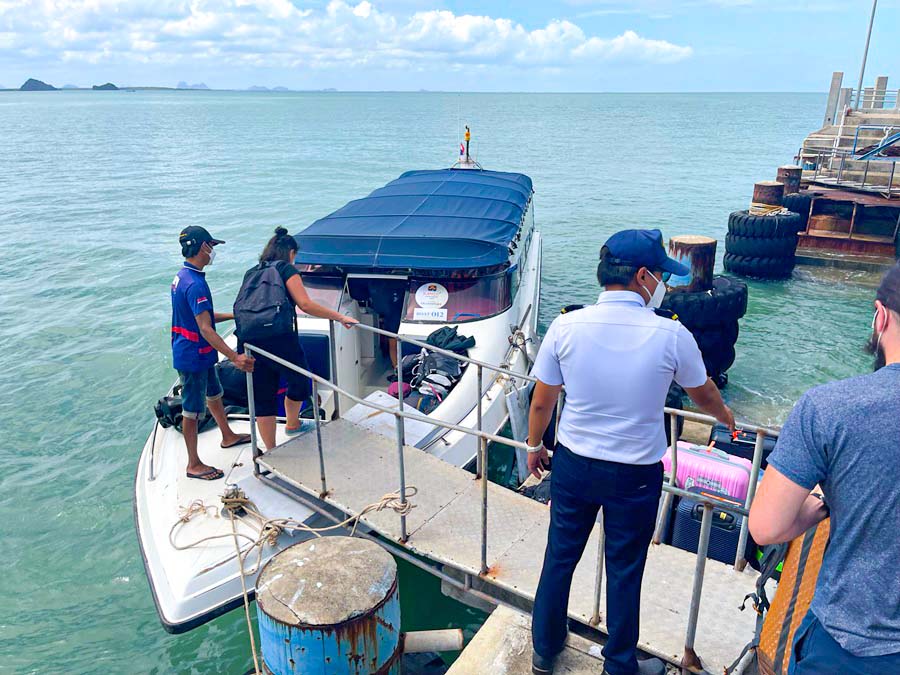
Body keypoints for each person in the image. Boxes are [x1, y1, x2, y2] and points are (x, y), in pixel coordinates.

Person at [527, 229, 736, 675]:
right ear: (643, 276)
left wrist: (533, 446)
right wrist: (726, 417)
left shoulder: (566, 325)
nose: (664, 283)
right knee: (624, 568)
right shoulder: (670, 333)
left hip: (574, 465)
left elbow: (542, 401)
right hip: (636, 475)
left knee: (559, 555)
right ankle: (619, 664)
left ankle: (544, 649)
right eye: (661, 274)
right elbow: (702, 392)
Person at [749, 262, 900, 675]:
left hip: (849, 645)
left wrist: (821, 505)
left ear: (880, 317)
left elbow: (766, 527)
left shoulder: (829, 408)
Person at [237, 227, 357, 451]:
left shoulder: (251, 272)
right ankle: (292, 424)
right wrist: (339, 317)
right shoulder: (286, 269)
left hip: (251, 340)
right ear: (291, 253)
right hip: (280, 338)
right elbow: (305, 304)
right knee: (301, 381)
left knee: (263, 396)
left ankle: (271, 450)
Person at [172, 226, 255, 481]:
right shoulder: (194, 285)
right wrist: (235, 357)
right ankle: (193, 463)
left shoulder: (183, 277)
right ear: (202, 247)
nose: (213, 252)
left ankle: (227, 435)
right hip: (193, 357)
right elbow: (206, 328)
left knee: (214, 394)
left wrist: (233, 315)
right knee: (192, 410)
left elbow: (202, 317)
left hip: (200, 352)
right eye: (211, 246)